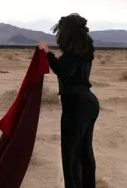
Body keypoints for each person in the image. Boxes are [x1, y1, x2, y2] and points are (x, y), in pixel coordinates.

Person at [38, 13, 100, 188]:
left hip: (76, 106)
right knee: (84, 152)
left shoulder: (74, 53)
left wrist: (48, 54)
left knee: (71, 156)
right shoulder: (84, 50)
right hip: (88, 104)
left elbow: (63, 72)